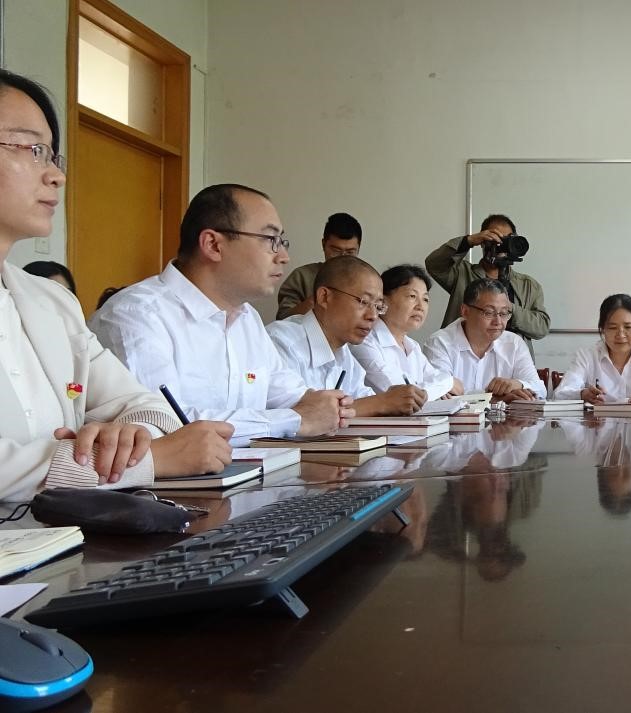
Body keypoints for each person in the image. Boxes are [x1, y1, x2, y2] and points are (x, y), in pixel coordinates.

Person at [0, 69, 231, 500]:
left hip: (68, 537)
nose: (56, 176)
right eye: (32, 150)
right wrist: (146, 461)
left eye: (52, 156)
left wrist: (127, 439)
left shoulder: (52, 303)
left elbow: (153, 410)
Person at [91, 183, 352, 447]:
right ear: (213, 245)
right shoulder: (136, 315)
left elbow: (291, 395)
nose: (283, 256)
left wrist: (326, 406)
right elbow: (164, 427)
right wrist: (294, 420)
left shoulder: (247, 318)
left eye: (282, 241)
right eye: (270, 240)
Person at [267, 256, 431, 416]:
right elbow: (298, 415)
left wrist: (393, 401)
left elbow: (362, 400)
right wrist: (383, 402)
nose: (373, 316)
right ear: (325, 297)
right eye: (363, 302)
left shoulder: (345, 354)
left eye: (378, 306)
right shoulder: (281, 341)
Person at [426, 214, 549, 355]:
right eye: (495, 238)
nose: (501, 245)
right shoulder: (461, 273)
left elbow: (541, 328)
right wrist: (469, 241)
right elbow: (434, 264)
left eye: (506, 239)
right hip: (465, 357)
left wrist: (508, 309)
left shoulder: (528, 285)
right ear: (483, 241)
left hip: (512, 359)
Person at [422, 279, 546, 402]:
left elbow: (540, 390)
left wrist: (518, 384)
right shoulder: (440, 343)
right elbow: (441, 397)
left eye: (504, 313)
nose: (498, 322)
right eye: (489, 312)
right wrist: (494, 399)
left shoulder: (514, 343)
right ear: (465, 311)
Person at [349, 263, 455, 400]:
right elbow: (404, 395)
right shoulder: (364, 341)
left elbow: (438, 378)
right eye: (412, 296)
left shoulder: (413, 346)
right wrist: (447, 384)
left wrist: (442, 384)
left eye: (425, 299)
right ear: (383, 301)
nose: (420, 306)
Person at [554, 293, 631, 405]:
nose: (621, 335)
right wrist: (583, 394)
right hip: (597, 423)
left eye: (628, 327)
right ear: (602, 329)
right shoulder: (586, 357)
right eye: (613, 328)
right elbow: (561, 393)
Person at [275, 212, 362, 320]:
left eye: (350, 252)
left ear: (358, 249)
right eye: (336, 250)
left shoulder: (367, 282)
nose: (342, 257)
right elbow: (282, 320)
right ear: (323, 244)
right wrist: (316, 301)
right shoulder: (301, 277)